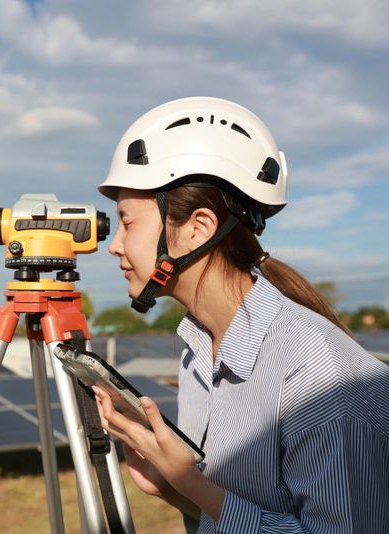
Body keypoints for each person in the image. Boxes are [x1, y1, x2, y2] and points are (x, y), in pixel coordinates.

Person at [92, 96, 389, 532]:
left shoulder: (316, 373)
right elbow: (239, 517)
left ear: (199, 227)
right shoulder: (198, 348)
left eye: (127, 222)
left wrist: (189, 481)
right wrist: (171, 486)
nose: (114, 244)